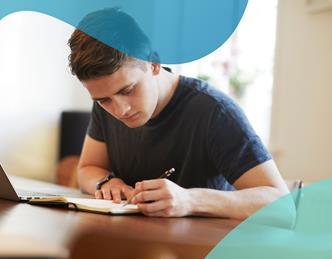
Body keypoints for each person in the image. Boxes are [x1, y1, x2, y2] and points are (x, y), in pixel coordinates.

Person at [68, 8, 289, 219]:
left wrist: (190, 200)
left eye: (128, 90)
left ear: (154, 63)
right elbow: (88, 169)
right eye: (104, 100)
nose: (120, 110)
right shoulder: (105, 104)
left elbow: (283, 207)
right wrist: (107, 183)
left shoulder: (215, 113)